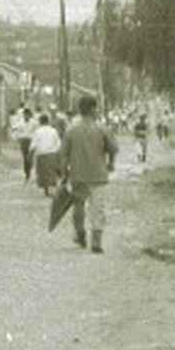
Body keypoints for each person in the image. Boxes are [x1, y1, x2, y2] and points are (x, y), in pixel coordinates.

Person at [61, 96, 118, 253]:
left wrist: (64, 173)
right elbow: (113, 148)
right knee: (98, 209)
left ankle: (80, 234)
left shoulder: (71, 129)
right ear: (93, 109)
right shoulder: (102, 128)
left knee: (78, 206)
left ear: (80, 109)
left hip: (78, 175)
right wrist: (111, 163)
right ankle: (96, 242)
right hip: (98, 175)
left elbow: (63, 154)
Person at [31, 111, 64, 194]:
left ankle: (46, 189)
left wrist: (30, 153)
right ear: (48, 121)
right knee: (51, 172)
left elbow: (34, 144)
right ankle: (52, 188)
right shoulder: (53, 131)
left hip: (41, 154)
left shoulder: (37, 131)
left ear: (40, 122)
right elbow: (58, 143)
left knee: (42, 173)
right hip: (51, 154)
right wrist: (58, 154)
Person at [11, 106, 37, 181]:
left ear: (30, 115)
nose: (26, 116)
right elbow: (15, 130)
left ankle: (30, 167)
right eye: (25, 115)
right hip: (24, 141)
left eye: (28, 115)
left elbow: (36, 131)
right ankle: (27, 172)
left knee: (30, 157)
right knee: (25, 157)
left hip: (31, 140)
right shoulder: (20, 123)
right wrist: (16, 138)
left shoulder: (34, 122)